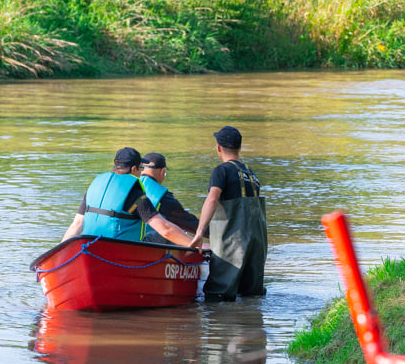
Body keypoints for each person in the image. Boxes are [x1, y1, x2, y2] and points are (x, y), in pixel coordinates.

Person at [190, 126, 267, 300]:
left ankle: (221, 327)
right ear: (240, 148)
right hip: (257, 244)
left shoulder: (221, 171)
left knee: (219, 296)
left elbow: (212, 199)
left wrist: (200, 232)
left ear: (218, 147)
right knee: (251, 296)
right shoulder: (252, 174)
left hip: (233, 243)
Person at [61, 147, 195, 245]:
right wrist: (199, 245)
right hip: (122, 252)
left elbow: (76, 226)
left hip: (92, 248)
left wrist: (59, 253)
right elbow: (165, 229)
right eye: (140, 169)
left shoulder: (94, 187)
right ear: (133, 169)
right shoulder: (135, 195)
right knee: (169, 231)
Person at [139, 152, 202, 244]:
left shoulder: (130, 186)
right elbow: (189, 222)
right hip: (144, 243)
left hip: (124, 236)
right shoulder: (163, 197)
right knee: (175, 229)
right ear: (162, 171)